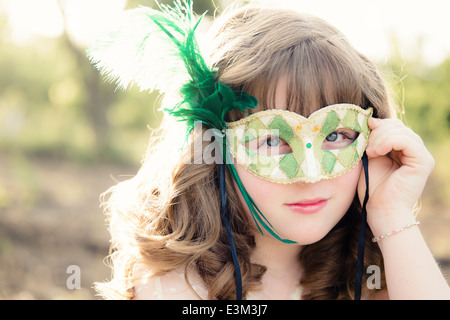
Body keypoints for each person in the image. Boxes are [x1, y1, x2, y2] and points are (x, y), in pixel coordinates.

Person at [90, 2, 450, 300]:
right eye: (272, 140)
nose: (310, 174)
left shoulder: (379, 270)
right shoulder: (177, 288)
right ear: (214, 151)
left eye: (337, 133)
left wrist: (392, 217)